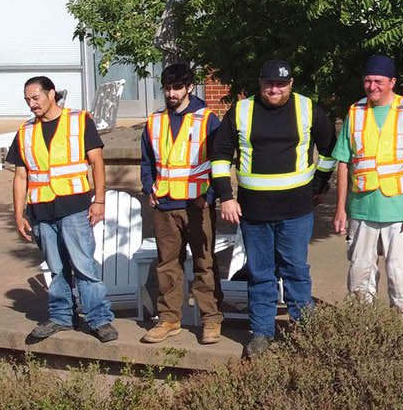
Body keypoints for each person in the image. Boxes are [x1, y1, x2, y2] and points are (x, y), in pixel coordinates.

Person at [211, 59, 336, 358]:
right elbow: (219, 155)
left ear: (291, 84)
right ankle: (262, 333)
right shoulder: (241, 111)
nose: (275, 89)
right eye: (269, 84)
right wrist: (226, 197)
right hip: (254, 213)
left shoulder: (308, 109)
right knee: (260, 274)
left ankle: (304, 331)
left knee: (295, 271)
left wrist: (319, 186)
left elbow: (331, 149)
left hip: (296, 210)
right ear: (260, 83)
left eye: (281, 84)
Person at [8, 76, 117, 343]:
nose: (31, 104)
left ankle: (99, 319)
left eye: (35, 98)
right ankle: (60, 317)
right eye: (27, 100)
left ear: (51, 94)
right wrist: (19, 213)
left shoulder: (79, 121)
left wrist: (99, 200)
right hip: (41, 211)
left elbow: (97, 162)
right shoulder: (25, 132)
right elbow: (21, 176)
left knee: (84, 267)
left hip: (75, 207)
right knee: (56, 270)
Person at [331, 54, 403, 328]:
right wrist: (341, 208)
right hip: (361, 210)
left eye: (378, 81)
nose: (372, 86)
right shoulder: (355, 112)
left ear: (392, 82)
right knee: (360, 277)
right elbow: (344, 162)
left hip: (399, 211)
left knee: (400, 278)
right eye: (367, 81)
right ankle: (362, 336)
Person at [139, 64, 223, 345]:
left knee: (205, 263)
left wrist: (209, 197)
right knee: (167, 265)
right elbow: (147, 161)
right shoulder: (155, 121)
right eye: (167, 87)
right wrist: (149, 189)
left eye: (176, 87)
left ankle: (211, 319)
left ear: (189, 87)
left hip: (198, 205)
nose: (171, 93)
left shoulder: (207, 119)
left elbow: (219, 161)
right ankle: (169, 318)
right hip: (165, 204)